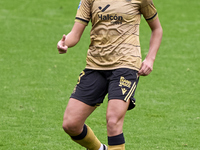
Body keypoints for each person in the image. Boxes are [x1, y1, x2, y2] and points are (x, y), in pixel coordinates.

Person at [57, 0, 162, 149]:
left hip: (126, 65)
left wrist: (150, 59)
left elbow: (157, 29)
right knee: (71, 124)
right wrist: (65, 43)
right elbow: (75, 33)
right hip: (95, 65)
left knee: (113, 122)